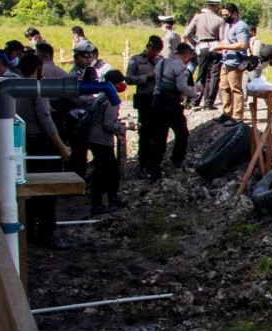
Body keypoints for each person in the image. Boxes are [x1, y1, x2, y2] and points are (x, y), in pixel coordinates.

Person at [15, 54, 71, 249]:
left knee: (28, 188)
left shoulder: (14, 87)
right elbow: (45, 119)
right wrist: (61, 145)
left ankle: (29, 230)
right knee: (48, 189)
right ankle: (47, 234)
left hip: (22, 143)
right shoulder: (38, 90)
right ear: (39, 69)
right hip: (39, 143)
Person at [81, 70, 128, 215]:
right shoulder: (111, 98)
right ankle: (100, 203)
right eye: (121, 82)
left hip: (94, 137)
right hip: (101, 140)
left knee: (104, 171)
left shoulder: (102, 94)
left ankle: (106, 200)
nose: (123, 85)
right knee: (107, 172)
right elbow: (108, 124)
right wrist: (124, 128)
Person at [149, 43, 197, 180]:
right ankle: (177, 162)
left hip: (157, 103)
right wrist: (196, 90)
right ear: (186, 55)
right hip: (171, 105)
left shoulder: (161, 63)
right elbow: (182, 88)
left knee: (159, 138)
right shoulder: (180, 67)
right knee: (182, 134)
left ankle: (155, 169)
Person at [124, 35, 162, 179]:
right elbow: (128, 79)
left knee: (157, 133)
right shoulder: (136, 60)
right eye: (153, 49)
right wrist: (147, 77)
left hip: (158, 99)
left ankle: (155, 163)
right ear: (148, 46)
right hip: (144, 98)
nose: (155, 53)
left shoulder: (161, 61)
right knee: (144, 133)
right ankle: (143, 163)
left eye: (157, 50)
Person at [184, 0, 224, 110]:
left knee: (201, 74)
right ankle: (209, 102)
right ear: (216, 6)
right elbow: (222, 37)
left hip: (202, 46)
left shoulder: (198, 17)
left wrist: (195, 42)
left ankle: (195, 100)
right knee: (214, 75)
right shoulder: (220, 20)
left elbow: (187, 33)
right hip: (216, 47)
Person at [215, 2, 251, 124]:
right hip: (226, 60)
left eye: (227, 15)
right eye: (223, 15)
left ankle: (237, 116)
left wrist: (224, 46)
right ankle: (226, 113)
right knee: (224, 87)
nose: (224, 17)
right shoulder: (227, 25)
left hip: (235, 62)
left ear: (234, 14)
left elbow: (242, 44)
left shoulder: (241, 26)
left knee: (235, 88)